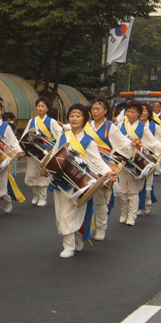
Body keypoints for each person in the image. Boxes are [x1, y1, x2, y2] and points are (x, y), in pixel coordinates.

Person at [50, 104, 116, 258]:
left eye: (78, 115)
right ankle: (77, 238)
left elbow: (97, 161)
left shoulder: (88, 140)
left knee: (69, 214)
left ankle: (69, 246)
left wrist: (108, 172)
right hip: (61, 180)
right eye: (72, 115)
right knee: (61, 214)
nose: (74, 118)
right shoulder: (62, 137)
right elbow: (54, 156)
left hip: (79, 182)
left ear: (84, 119)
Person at [84, 97, 135, 240]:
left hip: (103, 165)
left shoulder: (110, 127)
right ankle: (85, 228)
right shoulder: (86, 125)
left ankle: (101, 228)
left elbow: (123, 142)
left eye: (98, 109)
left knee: (100, 199)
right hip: (86, 164)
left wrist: (131, 145)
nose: (94, 111)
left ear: (105, 111)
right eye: (93, 109)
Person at [114, 100, 161, 225]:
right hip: (121, 161)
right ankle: (124, 211)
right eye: (128, 111)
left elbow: (153, 142)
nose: (130, 114)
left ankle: (131, 217)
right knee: (119, 191)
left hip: (136, 161)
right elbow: (114, 140)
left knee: (133, 190)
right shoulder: (120, 125)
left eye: (133, 112)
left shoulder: (143, 128)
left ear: (139, 114)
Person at [21, 97, 63, 207]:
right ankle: (36, 195)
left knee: (43, 175)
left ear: (47, 108)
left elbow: (59, 136)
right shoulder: (32, 121)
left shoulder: (52, 121)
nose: (40, 108)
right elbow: (25, 135)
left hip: (45, 152)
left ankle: (43, 197)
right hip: (33, 152)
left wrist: (54, 149)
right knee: (31, 174)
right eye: (38, 106)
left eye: (42, 106)